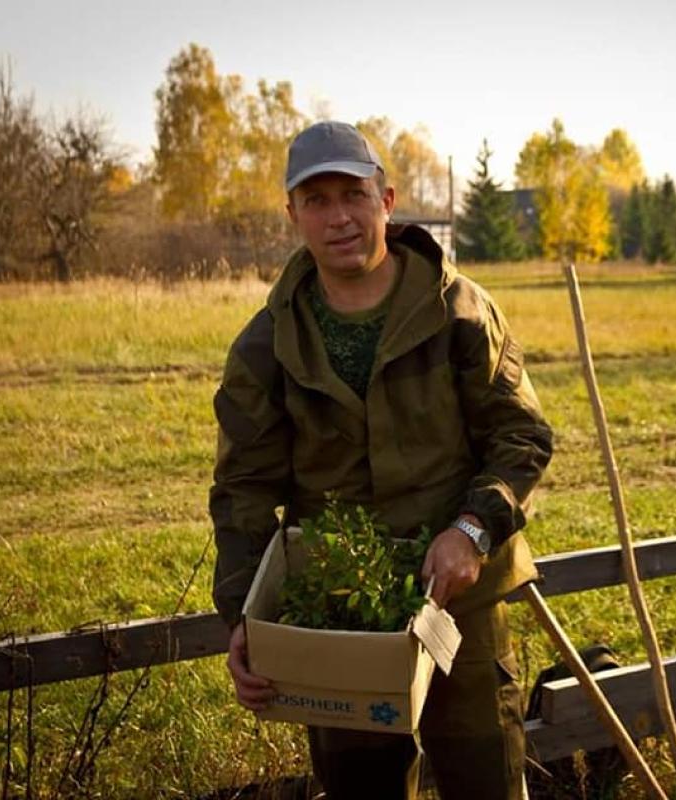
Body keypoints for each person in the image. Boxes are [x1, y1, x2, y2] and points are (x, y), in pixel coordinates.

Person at [209, 120, 553, 800]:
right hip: (339, 614)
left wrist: (473, 530)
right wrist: (245, 617)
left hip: (460, 601)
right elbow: (243, 489)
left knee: (483, 775)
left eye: (353, 195)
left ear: (387, 202)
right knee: (361, 787)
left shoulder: (459, 312)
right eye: (317, 200)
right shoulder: (266, 344)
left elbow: (522, 437)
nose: (338, 217)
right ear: (293, 215)